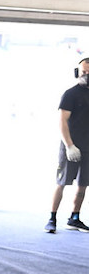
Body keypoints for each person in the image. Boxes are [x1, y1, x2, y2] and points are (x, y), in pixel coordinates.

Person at [45, 57, 89, 233]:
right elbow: (62, 121)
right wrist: (69, 145)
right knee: (62, 182)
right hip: (70, 147)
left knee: (83, 184)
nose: (86, 75)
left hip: (88, 148)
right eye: (83, 72)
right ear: (77, 73)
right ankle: (52, 218)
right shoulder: (70, 94)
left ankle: (74, 217)